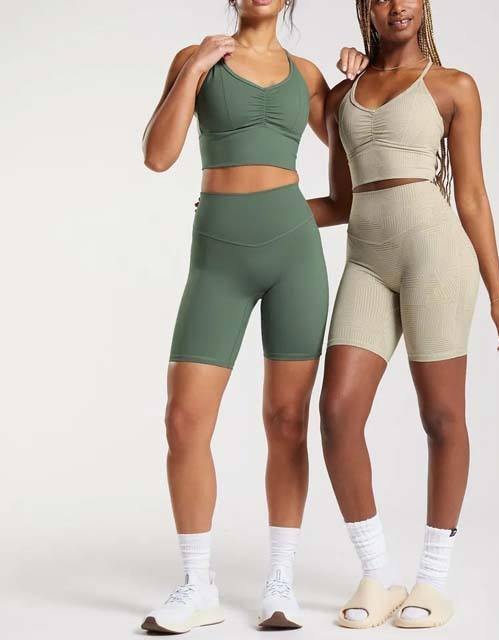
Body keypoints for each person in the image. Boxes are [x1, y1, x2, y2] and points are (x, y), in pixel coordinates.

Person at [139, 0, 368, 632]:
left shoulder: (308, 74)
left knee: (287, 419)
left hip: (294, 257)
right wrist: (195, 69)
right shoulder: (197, 59)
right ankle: (197, 586)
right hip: (218, 258)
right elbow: (157, 156)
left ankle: (280, 583)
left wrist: (356, 89)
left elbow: (353, 176)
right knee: (185, 419)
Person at [315, 0, 499, 629]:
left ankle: (432, 581)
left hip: (437, 258)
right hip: (366, 263)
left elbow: (473, 196)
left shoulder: (453, 86)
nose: (396, 5)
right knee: (337, 414)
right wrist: (251, 211)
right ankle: (379, 576)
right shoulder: (342, 96)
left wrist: (498, 293)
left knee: (441, 417)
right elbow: (340, 203)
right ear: (366, 9)